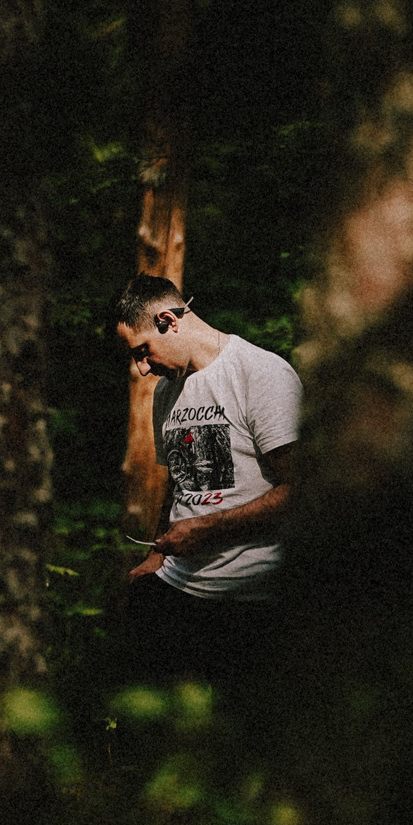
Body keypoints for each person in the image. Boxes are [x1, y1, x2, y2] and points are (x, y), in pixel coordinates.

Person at [109, 273, 301, 683]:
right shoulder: (167, 393)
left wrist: (207, 529)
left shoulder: (261, 373)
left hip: (247, 597)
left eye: (144, 351)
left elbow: (302, 490)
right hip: (177, 588)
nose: (143, 368)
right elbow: (180, 483)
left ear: (168, 321)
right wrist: (156, 556)